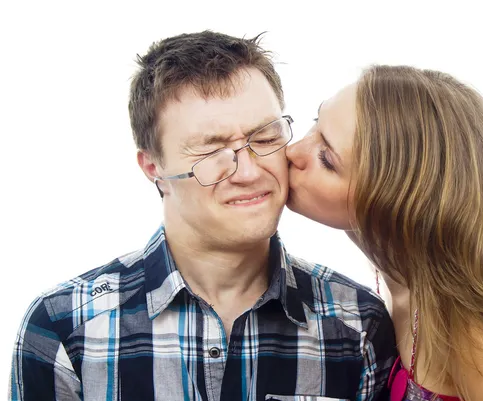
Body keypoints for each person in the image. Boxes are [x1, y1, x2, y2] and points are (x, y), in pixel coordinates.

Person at [9, 31, 397, 401]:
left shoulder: (359, 325)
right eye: (210, 151)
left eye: (264, 138)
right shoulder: (62, 327)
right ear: (153, 167)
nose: (248, 172)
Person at [286, 65, 483, 401]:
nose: (293, 152)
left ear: (392, 202)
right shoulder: (405, 284)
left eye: (326, 158)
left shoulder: (466, 331)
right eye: (314, 123)